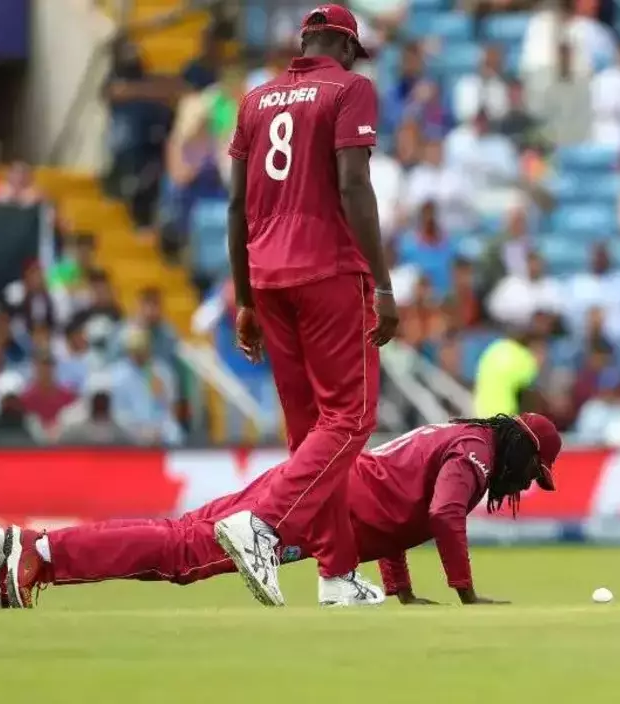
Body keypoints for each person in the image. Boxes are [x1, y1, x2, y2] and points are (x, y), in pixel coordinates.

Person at [0, 414, 560, 610]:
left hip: (320, 489)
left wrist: (401, 589)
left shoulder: (458, 435)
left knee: (183, 536)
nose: (525, 485)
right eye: (533, 472)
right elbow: (441, 515)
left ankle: (31, 551)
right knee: (186, 552)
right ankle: (40, 552)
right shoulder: (476, 451)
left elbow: (398, 512)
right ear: (522, 449)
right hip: (318, 508)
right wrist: (465, 591)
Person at [222, 4, 399, 607]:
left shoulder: (256, 98)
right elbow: (353, 184)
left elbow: (235, 208)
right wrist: (384, 284)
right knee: (349, 421)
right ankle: (262, 524)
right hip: (327, 269)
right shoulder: (351, 89)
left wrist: (244, 299)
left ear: (305, 42)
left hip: (267, 277)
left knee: (310, 437)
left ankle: (336, 575)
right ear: (346, 47)